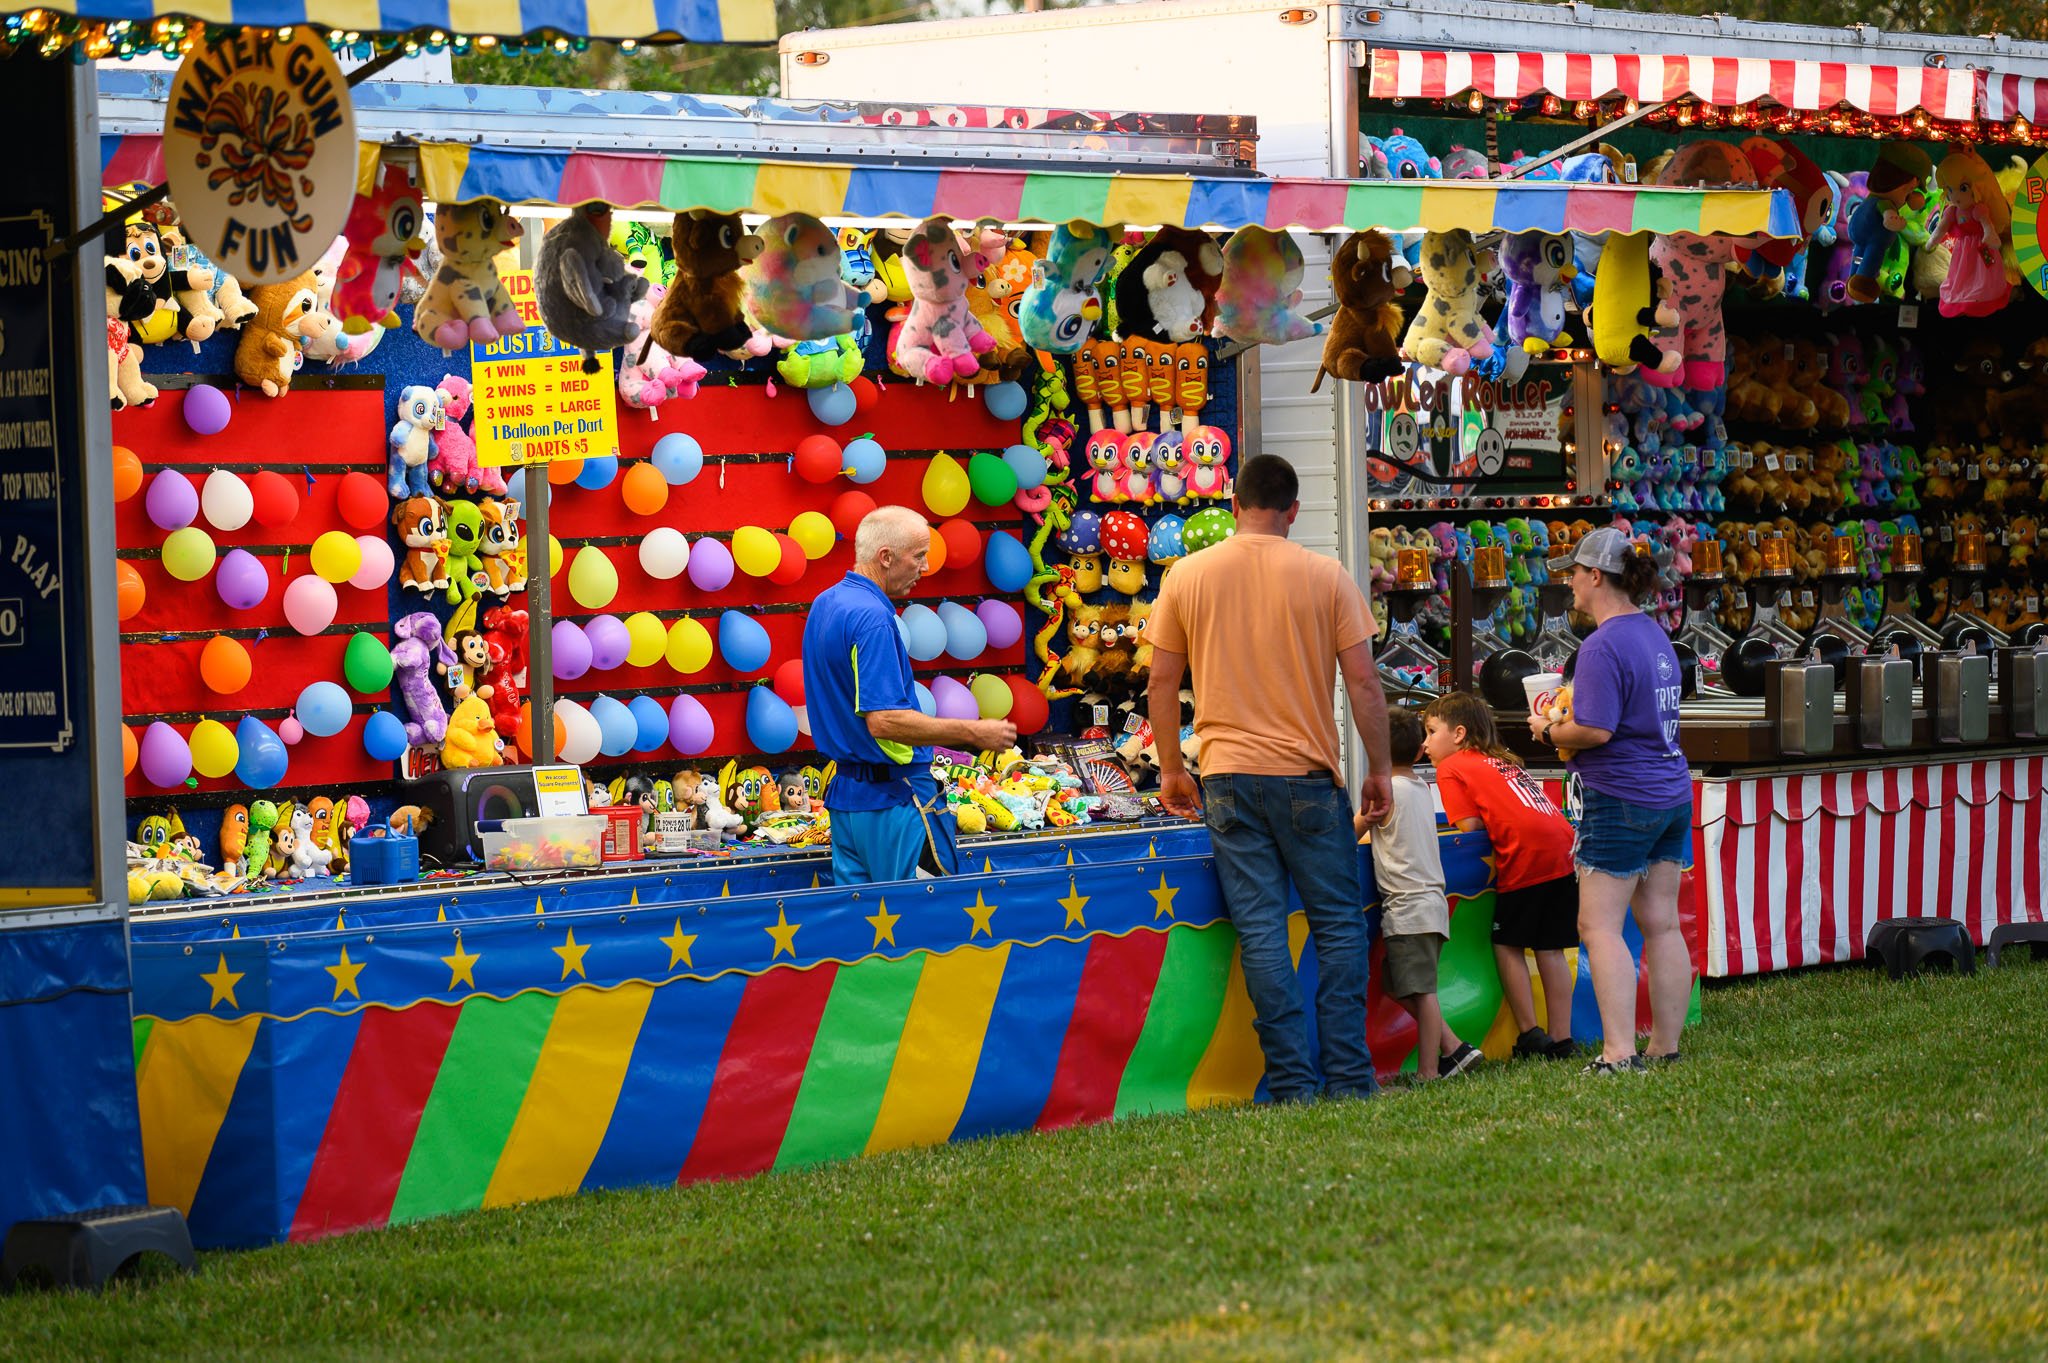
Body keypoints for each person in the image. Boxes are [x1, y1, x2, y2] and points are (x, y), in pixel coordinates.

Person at [1147, 453, 1393, 1103]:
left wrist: (1173, 767)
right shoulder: (1326, 574)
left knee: (1260, 930)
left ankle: (1289, 1079)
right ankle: (1346, 1075)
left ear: (1233, 505)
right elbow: (1364, 681)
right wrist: (1382, 768)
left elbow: (1162, 682)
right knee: (1338, 924)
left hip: (1226, 778)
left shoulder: (1187, 574)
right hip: (1310, 776)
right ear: (1294, 510)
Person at [1533, 526, 1694, 1075]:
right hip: (1671, 791)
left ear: (1596, 576)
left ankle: (1619, 1054)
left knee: (1597, 927)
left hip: (1621, 795)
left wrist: (1547, 730)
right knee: (1662, 923)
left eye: (1574, 574)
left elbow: (1596, 731)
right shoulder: (1653, 634)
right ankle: (1665, 1046)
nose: (1570, 585)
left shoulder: (1601, 645)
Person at [802, 506, 1016, 885]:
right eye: (918, 555)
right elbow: (884, 720)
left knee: (863, 925)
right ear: (885, 557)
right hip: (893, 798)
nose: (926, 566)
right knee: (910, 923)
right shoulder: (872, 617)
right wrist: (972, 733)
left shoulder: (825, 602)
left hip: (847, 798)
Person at [1422, 691, 1579, 1060]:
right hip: (1563, 849)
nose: (1425, 743)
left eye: (1430, 731)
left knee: (1506, 943)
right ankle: (1562, 1038)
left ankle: (1530, 1034)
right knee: (1550, 947)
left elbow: (1470, 826)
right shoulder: (1499, 759)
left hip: (1526, 856)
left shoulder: (1451, 766)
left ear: (1458, 734)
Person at [1356, 708, 1481, 1081]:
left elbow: (1351, 832)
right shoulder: (1422, 789)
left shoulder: (1385, 793)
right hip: (1428, 905)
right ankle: (1454, 1047)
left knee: (1422, 992)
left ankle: (1431, 1069)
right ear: (1417, 750)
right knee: (1397, 984)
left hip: (1409, 908)